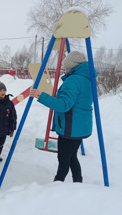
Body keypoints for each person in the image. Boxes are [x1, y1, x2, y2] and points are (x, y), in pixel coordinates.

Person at [29, 51, 94, 183]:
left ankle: (57, 185)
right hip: (80, 127)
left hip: (70, 129)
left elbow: (63, 105)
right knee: (71, 157)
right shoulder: (87, 79)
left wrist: (41, 96)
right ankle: (78, 182)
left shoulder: (73, 80)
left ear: (71, 66)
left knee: (63, 160)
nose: (64, 68)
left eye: (65, 65)